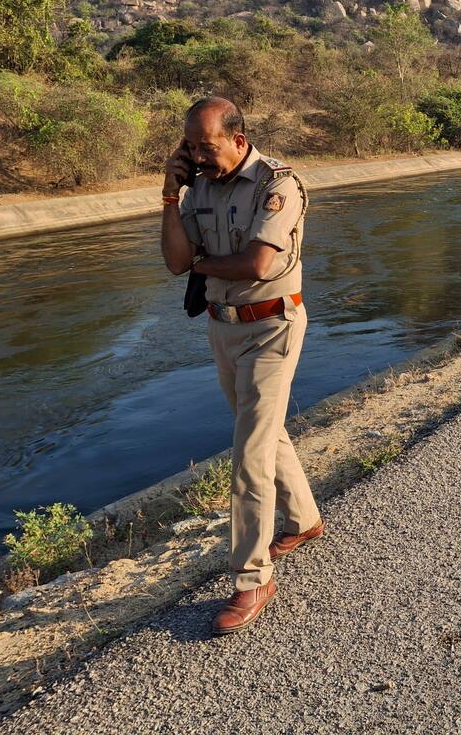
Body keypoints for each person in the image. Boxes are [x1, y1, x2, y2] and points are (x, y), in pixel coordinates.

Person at [160, 97, 322, 636]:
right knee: (264, 431)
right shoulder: (197, 187)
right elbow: (172, 259)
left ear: (238, 137)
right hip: (222, 326)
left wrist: (198, 264)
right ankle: (303, 520)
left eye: (206, 146)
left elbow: (257, 263)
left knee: (249, 452)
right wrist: (168, 194)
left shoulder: (279, 185)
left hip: (272, 325)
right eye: (190, 146)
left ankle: (253, 578)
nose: (198, 156)